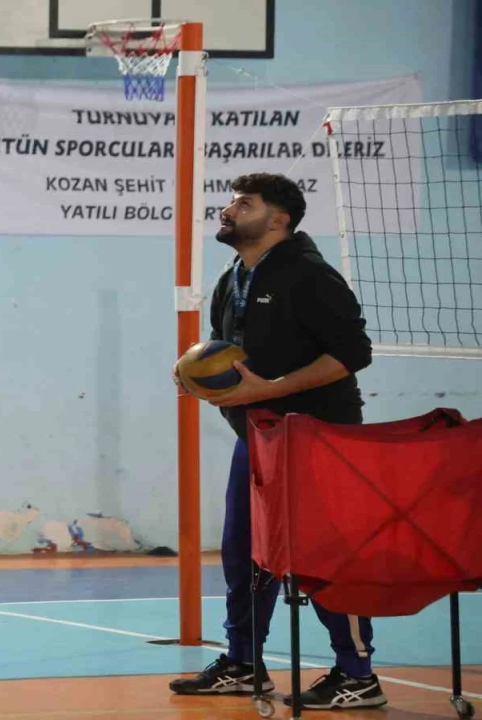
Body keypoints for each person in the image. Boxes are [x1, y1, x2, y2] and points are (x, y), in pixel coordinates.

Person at [168, 173, 385, 710]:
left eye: (244, 204)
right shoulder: (233, 276)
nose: (228, 211)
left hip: (317, 436)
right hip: (258, 436)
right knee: (245, 552)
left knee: (321, 555)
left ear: (278, 220)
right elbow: (226, 350)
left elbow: (353, 353)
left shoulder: (309, 275)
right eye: (231, 202)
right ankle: (244, 663)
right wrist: (196, 374)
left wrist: (271, 389)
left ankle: (358, 674)